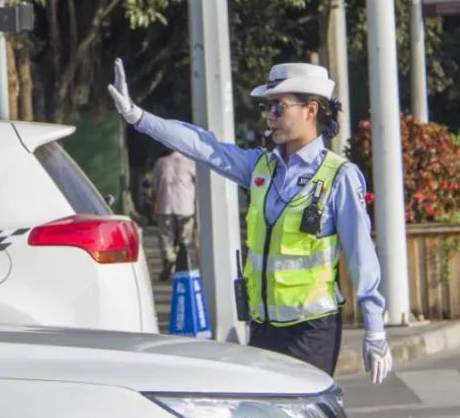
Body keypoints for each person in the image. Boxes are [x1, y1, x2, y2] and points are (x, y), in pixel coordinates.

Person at [108, 59, 392, 382]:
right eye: (267, 108)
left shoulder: (339, 176)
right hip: (262, 327)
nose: (270, 117)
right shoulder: (261, 167)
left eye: (278, 107)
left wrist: (375, 329)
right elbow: (203, 146)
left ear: (311, 110)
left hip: (311, 332)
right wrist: (138, 117)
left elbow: (361, 257)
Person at [150, 149, 198, 280]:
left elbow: (154, 185)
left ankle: (169, 258)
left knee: (166, 237)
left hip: (165, 205)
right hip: (186, 207)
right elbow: (198, 183)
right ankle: (185, 266)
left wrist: (153, 202)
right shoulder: (190, 162)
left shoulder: (161, 162)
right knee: (185, 239)